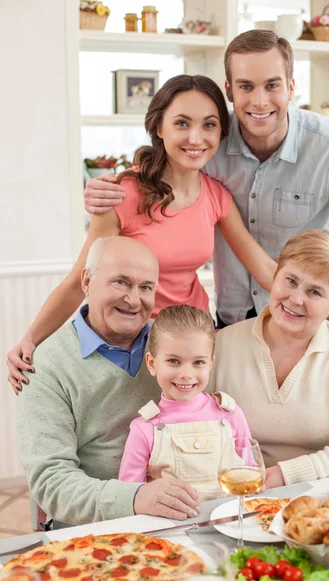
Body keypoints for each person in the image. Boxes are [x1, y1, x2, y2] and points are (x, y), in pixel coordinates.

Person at [82, 30, 329, 374]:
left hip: (312, 315)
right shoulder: (209, 138)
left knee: (325, 419)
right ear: (230, 90)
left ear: (292, 87)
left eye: (273, 85)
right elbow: (164, 164)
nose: (260, 101)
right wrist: (110, 186)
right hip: (232, 319)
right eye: (246, 86)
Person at [7, 73, 277, 395]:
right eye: (181, 123)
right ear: (159, 128)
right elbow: (79, 281)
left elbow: (262, 266)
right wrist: (30, 338)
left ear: (221, 132)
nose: (196, 137)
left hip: (192, 343)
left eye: (209, 125)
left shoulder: (216, 196)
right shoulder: (122, 194)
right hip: (135, 342)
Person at [17, 236, 202, 526]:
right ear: (87, 282)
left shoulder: (174, 351)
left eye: (145, 287)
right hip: (91, 526)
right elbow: (50, 481)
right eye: (121, 282)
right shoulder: (46, 365)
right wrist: (135, 498)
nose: (133, 299)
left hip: (178, 513)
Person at [209, 230, 329, 489]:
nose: (296, 299)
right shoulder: (220, 345)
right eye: (290, 280)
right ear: (275, 277)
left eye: (315, 292)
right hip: (234, 494)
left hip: (322, 499)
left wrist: (291, 473)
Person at [119, 304, 252, 502]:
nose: (186, 375)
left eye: (198, 362)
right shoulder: (145, 428)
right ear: (152, 364)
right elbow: (131, 497)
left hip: (231, 523)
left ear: (210, 364)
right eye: (173, 361)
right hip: (171, 528)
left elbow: (250, 476)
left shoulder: (229, 414)